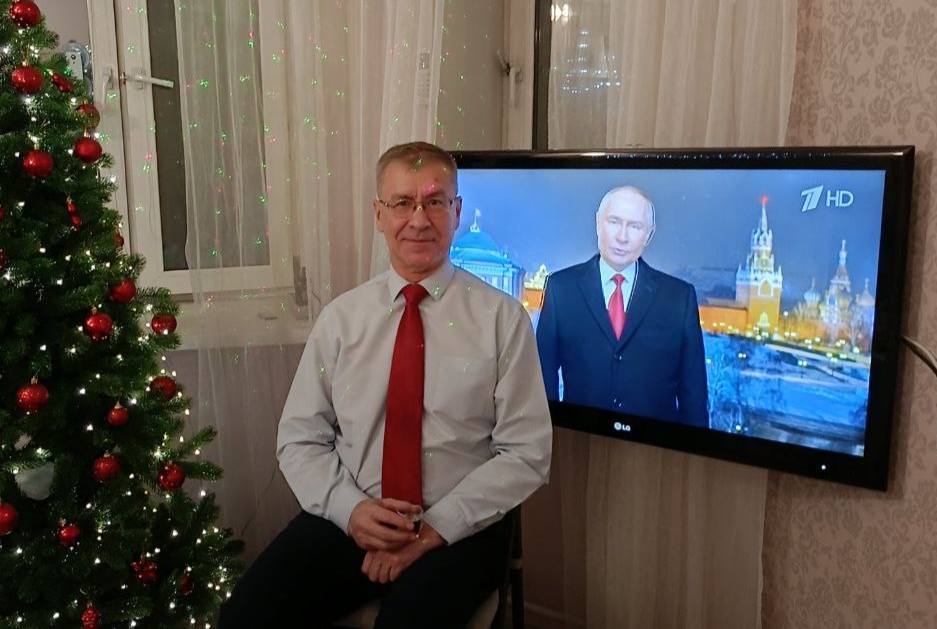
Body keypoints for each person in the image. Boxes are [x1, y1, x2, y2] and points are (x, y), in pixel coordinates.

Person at [219, 142, 553, 629]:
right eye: (402, 203)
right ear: (379, 214)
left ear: (457, 211)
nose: (418, 220)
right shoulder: (341, 320)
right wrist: (351, 511)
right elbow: (299, 438)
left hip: (459, 526)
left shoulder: (503, 320)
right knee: (244, 616)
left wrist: (433, 530)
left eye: (434, 202)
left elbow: (526, 452)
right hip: (355, 514)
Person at [536, 185, 709, 426]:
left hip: (654, 445)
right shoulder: (561, 289)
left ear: (648, 235)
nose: (622, 237)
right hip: (580, 440)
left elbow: (694, 397)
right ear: (598, 223)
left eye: (635, 226)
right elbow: (542, 381)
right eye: (614, 222)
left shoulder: (679, 299)